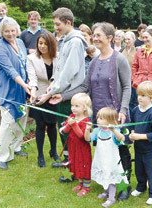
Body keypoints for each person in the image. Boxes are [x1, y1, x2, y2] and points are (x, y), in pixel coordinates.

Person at [50, 22, 132, 200]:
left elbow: (127, 87)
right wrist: (62, 96)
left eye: (98, 35)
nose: (94, 38)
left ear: (109, 38)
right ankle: (106, 184)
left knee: (121, 151)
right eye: (94, 35)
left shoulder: (119, 59)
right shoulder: (94, 61)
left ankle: (124, 186)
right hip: (98, 117)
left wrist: (123, 110)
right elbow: (84, 87)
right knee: (104, 152)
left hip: (116, 114)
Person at [43, 7, 87, 169]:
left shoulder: (75, 42)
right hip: (62, 92)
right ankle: (69, 161)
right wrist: (53, 83)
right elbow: (60, 68)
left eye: (57, 24)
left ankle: (76, 162)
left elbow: (69, 71)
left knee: (72, 131)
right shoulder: (66, 39)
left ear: (68, 22)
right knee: (64, 128)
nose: (55, 28)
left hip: (71, 96)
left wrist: (53, 91)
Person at [0, 17, 31, 170]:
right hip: (7, 90)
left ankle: (16, 147)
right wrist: (25, 84)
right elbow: (10, 70)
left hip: (22, 89)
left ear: (17, 31)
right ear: (1, 32)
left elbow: (25, 64)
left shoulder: (20, 43)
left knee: (21, 118)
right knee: (8, 123)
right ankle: (1, 156)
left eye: (12, 30)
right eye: (6, 31)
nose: (10, 34)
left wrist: (29, 85)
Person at [26, 30, 59, 168]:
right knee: (40, 125)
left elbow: (58, 76)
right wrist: (33, 91)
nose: (42, 46)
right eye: (40, 43)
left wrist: (50, 91)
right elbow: (32, 78)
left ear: (51, 45)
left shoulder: (58, 57)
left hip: (52, 95)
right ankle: (40, 155)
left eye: (45, 44)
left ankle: (54, 151)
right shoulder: (32, 58)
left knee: (52, 125)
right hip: (39, 94)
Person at [85, 107, 128, 207]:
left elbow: (122, 139)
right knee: (104, 174)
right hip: (100, 158)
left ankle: (111, 197)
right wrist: (87, 130)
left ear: (110, 120)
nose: (98, 120)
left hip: (111, 160)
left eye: (101, 118)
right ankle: (106, 191)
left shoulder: (114, 131)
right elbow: (88, 139)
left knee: (110, 177)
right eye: (98, 117)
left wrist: (113, 130)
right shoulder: (97, 130)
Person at [129, 81, 152, 205]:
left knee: (151, 171)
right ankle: (141, 186)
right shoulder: (136, 110)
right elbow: (132, 123)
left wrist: (139, 136)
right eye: (139, 95)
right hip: (138, 147)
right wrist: (132, 133)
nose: (139, 98)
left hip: (149, 150)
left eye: (143, 96)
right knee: (139, 169)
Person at [60, 93, 92, 196]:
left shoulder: (86, 120)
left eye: (77, 106)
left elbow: (81, 136)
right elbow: (65, 131)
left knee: (84, 164)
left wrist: (73, 124)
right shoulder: (71, 116)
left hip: (82, 147)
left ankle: (86, 186)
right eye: (72, 105)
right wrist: (69, 125)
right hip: (73, 146)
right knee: (75, 163)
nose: (73, 108)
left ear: (85, 108)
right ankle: (80, 183)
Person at [131, 25, 152, 90]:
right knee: (140, 100)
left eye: (146, 37)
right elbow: (134, 66)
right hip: (139, 84)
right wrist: (135, 79)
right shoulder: (139, 51)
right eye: (143, 37)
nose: (144, 39)